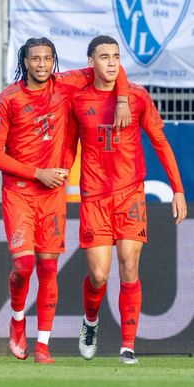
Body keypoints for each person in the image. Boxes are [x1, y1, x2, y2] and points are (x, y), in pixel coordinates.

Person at [0, 37, 131, 364]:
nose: (41, 65)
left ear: (54, 61)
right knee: (23, 266)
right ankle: (18, 320)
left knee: (48, 267)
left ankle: (43, 346)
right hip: (20, 191)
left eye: (47, 59)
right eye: (35, 59)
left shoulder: (65, 85)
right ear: (25, 61)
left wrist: (121, 99)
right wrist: (38, 172)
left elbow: (109, 67)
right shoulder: (7, 99)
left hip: (51, 196)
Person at [64, 35, 187, 364]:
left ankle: (127, 346)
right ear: (91, 62)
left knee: (129, 265)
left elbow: (160, 142)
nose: (112, 62)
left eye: (116, 56)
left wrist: (177, 189)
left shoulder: (136, 97)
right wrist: (59, 172)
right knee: (99, 275)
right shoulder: (77, 99)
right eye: (104, 56)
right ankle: (91, 321)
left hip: (130, 192)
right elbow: (67, 145)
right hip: (94, 197)